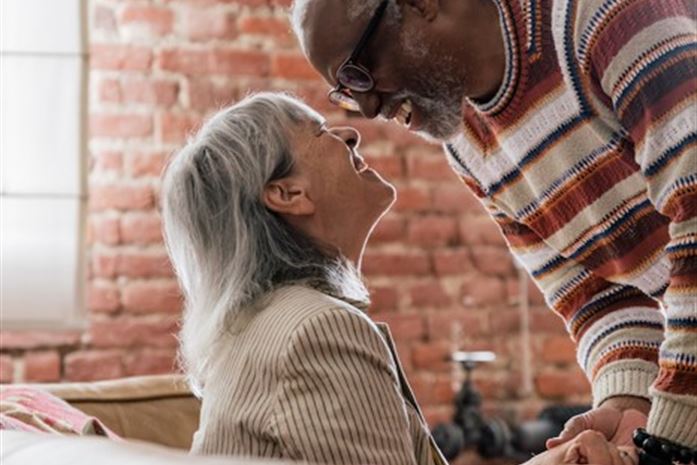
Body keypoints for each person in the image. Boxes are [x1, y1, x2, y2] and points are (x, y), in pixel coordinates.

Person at [290, 0, 697, 451]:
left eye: (359, 71)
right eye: (346, 90)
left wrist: (671, 436)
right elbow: (598, 300)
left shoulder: (604, 18)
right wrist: (626, 407)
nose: (367, 108)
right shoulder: (469, 145)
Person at [161, 92, 448, 465]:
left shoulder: (259, 325)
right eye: (321, 131)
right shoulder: (320, 330)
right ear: (287, 193)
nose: (350, 135)